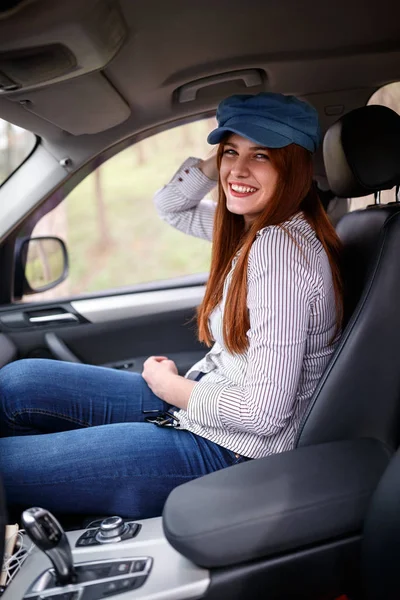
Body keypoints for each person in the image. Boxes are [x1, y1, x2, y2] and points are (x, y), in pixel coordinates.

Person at [0, 93, 342, 519]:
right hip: (208, 408)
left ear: (294, 166)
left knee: (6, 464)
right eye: (231, 151)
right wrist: (216, 166)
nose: (238, 168)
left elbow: (263, 413)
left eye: (262, 156)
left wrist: (168, 386)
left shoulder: (279, 251)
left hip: (230, 449)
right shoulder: (258, 228)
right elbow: (172, 207)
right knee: (18, 382)